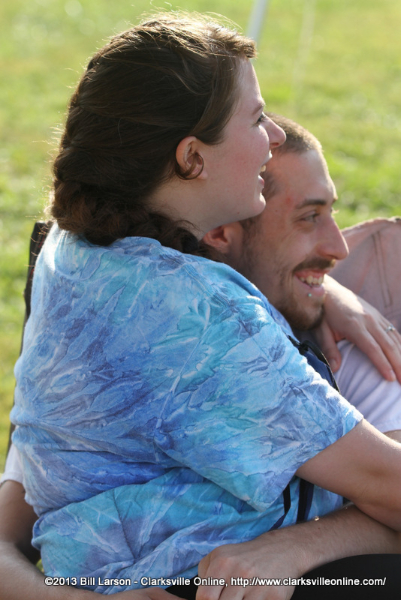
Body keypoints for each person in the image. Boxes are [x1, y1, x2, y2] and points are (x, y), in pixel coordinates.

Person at [5, 12, 401, 599]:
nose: (274, 137)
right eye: (257, 118)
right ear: (192, 158)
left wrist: (322, 290)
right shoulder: (202, 322)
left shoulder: (73, 249)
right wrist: (303, 546)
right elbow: (390, 485)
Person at [202, 113, 401, 444]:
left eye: (330, 212)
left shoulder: (344, 352)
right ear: (220, 231)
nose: (339, 248)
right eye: (309, 217)